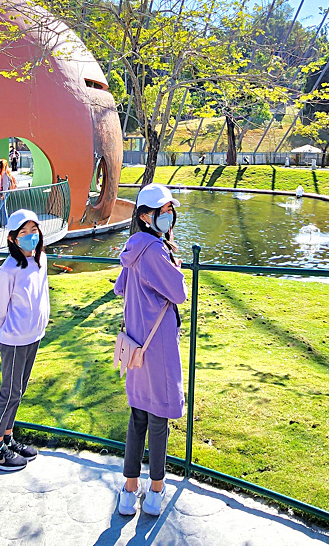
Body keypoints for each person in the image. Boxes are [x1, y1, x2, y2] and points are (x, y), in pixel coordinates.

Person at [115, 183, 187, 517]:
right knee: (158, 419)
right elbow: (178, 292)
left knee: (138, 416)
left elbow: (120, 287)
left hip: (135, 343)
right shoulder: (156, 250)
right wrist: (177, 269)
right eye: (162, 212)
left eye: (170, 211)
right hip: (157, 347)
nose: (168, 217)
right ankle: (155, 492)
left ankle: (129, 491)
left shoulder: (133, 246)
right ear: (146, 216)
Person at [0, 210, 49, 471]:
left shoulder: (41, 259)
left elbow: (41, 296)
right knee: (9, 393)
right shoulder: (8, 269)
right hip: (14, 338)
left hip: (33, 336)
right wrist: (2, 335)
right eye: (23, 233)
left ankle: (7, 437)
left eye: (33, 230)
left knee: (19, 391)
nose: (30, 236)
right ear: (13, 239)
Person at [0, 158, 18, 227]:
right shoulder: (5, 173)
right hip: (4, 192)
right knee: (3, 208)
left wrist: (3, 194)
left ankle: (2, 223)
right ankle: (5, 222)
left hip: (4, 192)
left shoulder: (4, 175)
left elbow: (5, 185)